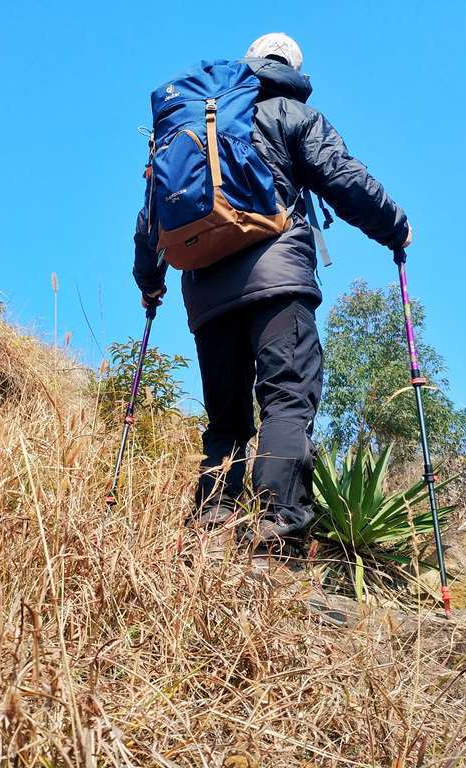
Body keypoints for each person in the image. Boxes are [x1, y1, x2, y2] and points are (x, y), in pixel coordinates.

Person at [132, 33, 412, 554]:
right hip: (277, 280)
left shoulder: (202, 120)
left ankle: (212, 532)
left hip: (206, 296)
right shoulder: (290, 114)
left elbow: (152, 215)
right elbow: (344, 179)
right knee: (286, 399)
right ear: (294, 69)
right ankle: (275, 533)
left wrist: (151, 285)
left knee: (227, 421)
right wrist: (395, 227)